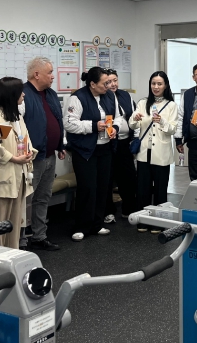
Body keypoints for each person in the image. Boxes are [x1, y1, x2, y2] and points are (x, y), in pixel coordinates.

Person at [64, 67, 117, 241]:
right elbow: (69, 124)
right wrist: (93, 126)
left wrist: (115, 128)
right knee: (87, 188)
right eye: (105, 83)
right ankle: (82, 226)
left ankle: (97, 224)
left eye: (109, 82)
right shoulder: (77, 97)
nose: (108, 86)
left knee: (103, 188)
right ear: (93, 84)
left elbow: (117, 118)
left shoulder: (109, 96)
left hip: (105, 148)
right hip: (85, 150)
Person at [0, 77, 35, 249]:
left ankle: (11, 257)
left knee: (14, 225)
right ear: (11, 94)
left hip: (20, 176)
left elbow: (26, 139)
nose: (24, 95)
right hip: (3, 176)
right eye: (20, 92)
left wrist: (29, 152)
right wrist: (14, 158)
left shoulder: (16, 116)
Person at [23, 57, 65, 251]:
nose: (52, 76)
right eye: (49, 72)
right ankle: (21, 240)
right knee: (26, 199)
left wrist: (60, 144)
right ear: (36, 74)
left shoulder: (51, 94)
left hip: (50, 155)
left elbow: (57, 120)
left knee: (43, 197)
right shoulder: (23, 94)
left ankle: (39, 236)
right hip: (33, 158)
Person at [129, 71, 178, 233]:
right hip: (144, 152)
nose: (156, 87)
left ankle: (159, 221)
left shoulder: (171, 105)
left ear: (165, 86)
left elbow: (172, 129)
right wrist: (135, 119)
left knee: (160, 189)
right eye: (153, 83)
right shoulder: (143, 102)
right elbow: (132, 125)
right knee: (142, 188)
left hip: (161, 153)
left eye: (159, 84)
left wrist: (162, 121)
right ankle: (142, 220)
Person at [103, 69, 138, 221]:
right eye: (109, 82)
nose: (113, 84)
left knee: (128, 177)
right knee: (108, 178)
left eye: (115, 80)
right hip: (110, 143)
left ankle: (128, 209)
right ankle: (108, 211)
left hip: (125, 143)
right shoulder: (102, 98)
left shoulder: (125, 95)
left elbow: (134, 117)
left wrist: (135, 138)